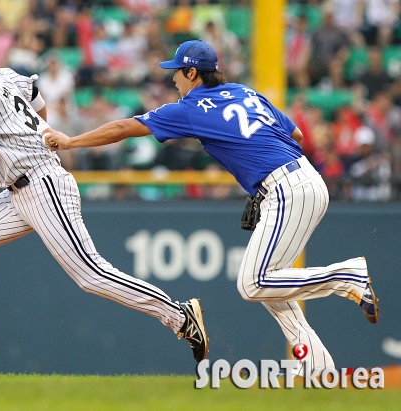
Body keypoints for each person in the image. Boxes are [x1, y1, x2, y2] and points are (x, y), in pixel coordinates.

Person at [43, 39, 381, 376]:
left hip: (287, 189)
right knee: (272, 285)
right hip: (304, 178)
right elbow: (295, 135)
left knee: (254, 283)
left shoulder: (190, 107)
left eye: (177, 72)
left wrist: (72, 141)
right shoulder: (242, 91)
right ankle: (317, 367)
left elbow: (121, 128)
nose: (173, 79)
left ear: (192, 72)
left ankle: (345, 275)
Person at [0, 28, 207, 366]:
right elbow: (34, 92)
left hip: (43, 183)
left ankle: (179, 316)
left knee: (92, 275)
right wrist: (40, 132)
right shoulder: (2, 75)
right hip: (17, 191)